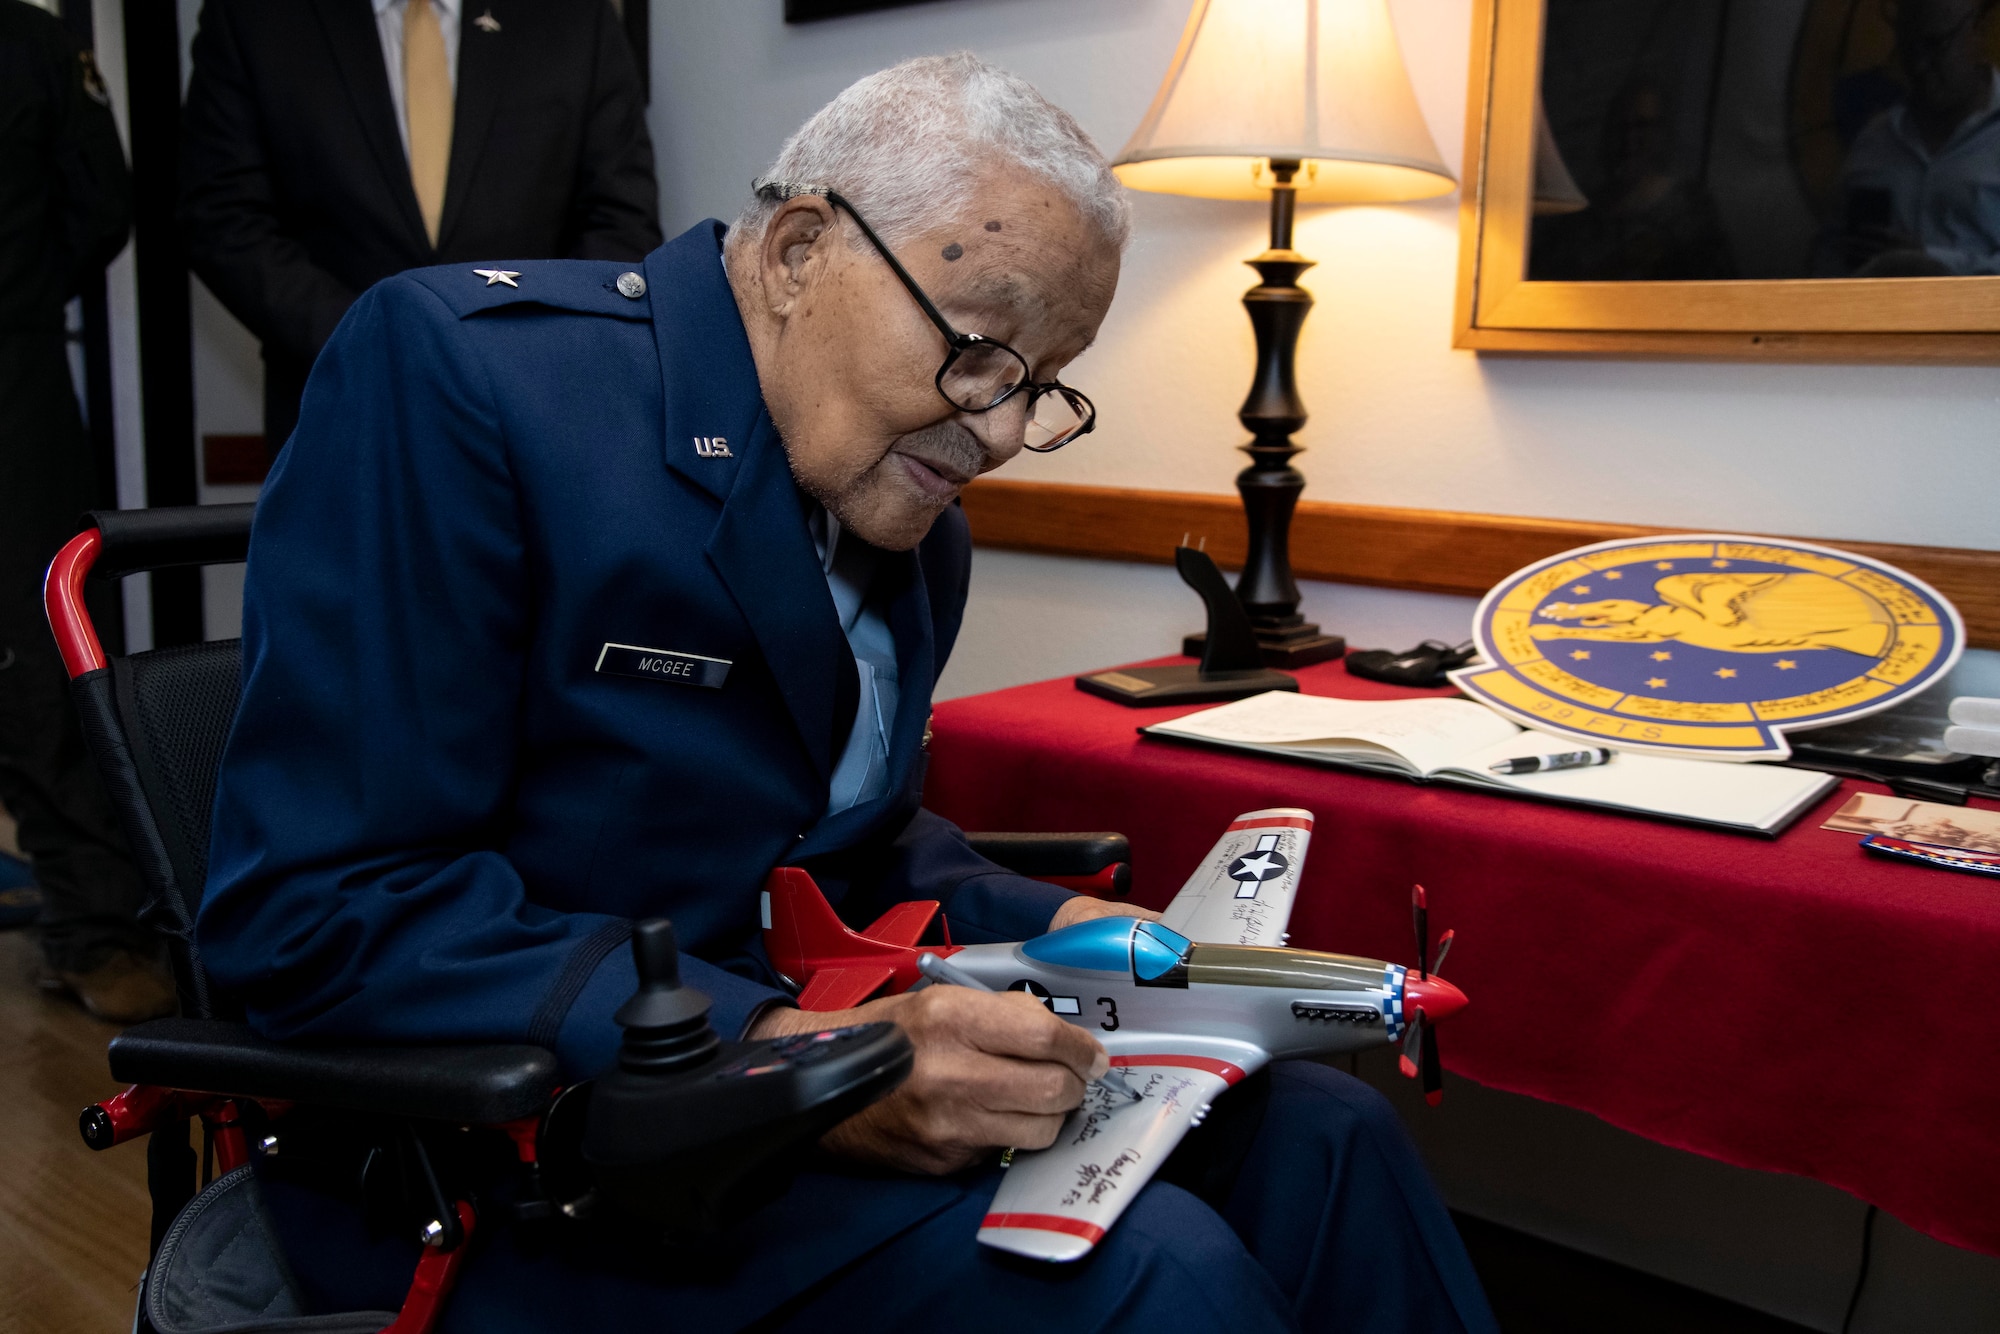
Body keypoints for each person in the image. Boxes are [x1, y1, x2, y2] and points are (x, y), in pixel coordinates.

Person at [200, 54, 1497, 1333]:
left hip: (764, 1075)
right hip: (525, 1148)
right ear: (800, 251)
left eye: (1042, 385)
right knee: (1156, 1274)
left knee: (1322, 1132)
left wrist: (1099, 938)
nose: (998, 433)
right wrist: (790, 1057)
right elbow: (319, 912)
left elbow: (845, 845)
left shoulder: (909, 515)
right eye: (983, 351)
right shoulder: (468, 376)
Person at [178, 0, 662, 456]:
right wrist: (373, 339)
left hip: (534, 421)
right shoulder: (257, 16)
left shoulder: (573, 15)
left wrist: (523, 354)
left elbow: (620, 220)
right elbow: (223, 218)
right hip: (339, 415)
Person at [0, 0, 172, 1022]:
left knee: (34, 653)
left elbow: (98, 207)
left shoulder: (29, 43)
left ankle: (94, 923)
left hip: (12, 387)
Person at [1835, 0, 2000, 276]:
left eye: (1936, 45)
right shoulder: (1874, 143)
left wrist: (1933, 264)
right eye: (1908, 48)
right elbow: (1828, 256)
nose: (1920, 65)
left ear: (1978, 30)